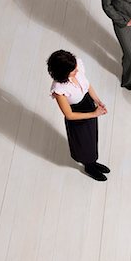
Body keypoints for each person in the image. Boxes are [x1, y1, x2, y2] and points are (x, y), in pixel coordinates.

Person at [47, 50, 110, 181]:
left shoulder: (77, 66)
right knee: (84, 142)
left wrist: (98, 101)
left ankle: (93, 162)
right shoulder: (59, 88)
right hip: (78, 115)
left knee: (92, 137)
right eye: (73, 70)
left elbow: (87, 86)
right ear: (63, 72)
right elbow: (69, 115)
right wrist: (94, 113)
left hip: (88, 104)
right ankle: (89, 166)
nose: (77, 71)